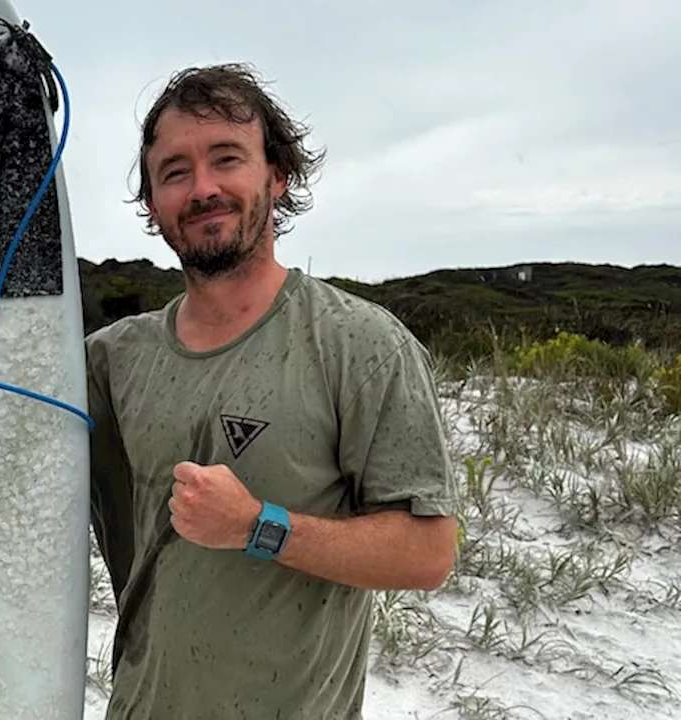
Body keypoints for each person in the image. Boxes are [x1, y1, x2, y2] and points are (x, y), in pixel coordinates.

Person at [84, 62, 460, 719]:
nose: (203, 188)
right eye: (175, 171)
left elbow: (428, 554)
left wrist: (260, 527)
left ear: (277, 175)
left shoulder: (361, 345)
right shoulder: (110, 360)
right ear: (152, 203)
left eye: (226, 159)